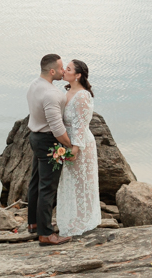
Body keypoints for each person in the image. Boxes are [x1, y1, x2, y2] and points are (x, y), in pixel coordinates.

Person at [26, 53, 75, 246]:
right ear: (53, 71)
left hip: (34, 137)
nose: (64, 71)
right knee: (47, 187)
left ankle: (34, 223)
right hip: (48, 142)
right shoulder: (52, 95)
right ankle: (46, 234)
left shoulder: (34, 85)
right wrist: (71, 145)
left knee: (35, 182)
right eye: (62, 68)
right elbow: (57, 129)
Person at [56, 58, 99, 237]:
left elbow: (82, 124)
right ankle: (72, 218)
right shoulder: (66, 93)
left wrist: (75, 148)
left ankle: (84, 220)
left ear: (78, 75)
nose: (64, 70)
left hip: (80, 145)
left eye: (68, 68)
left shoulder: (82, 95)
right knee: (70, 181)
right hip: (67, 142)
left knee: (83, 183)